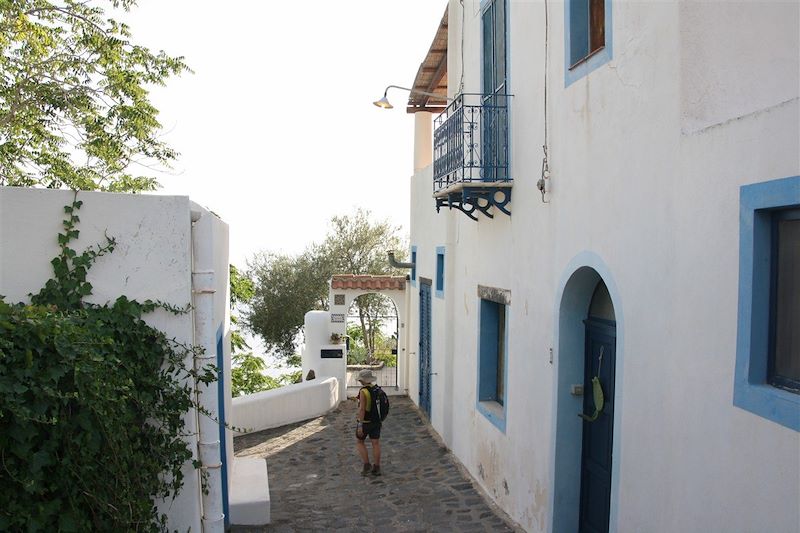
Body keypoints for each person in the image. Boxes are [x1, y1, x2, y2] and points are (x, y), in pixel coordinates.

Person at [355, 369, 382, 476]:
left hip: (366, 421)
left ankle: (367, 464)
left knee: (360, 442)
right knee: (375, 443)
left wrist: (360, 425)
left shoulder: (363, 391)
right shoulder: (376, 389)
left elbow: (362, 409)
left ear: (362, 380)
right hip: (376, 421)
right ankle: (377, 467)